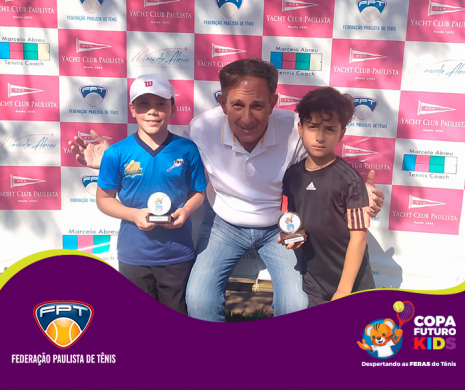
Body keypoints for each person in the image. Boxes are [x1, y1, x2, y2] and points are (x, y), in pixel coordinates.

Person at [70, 58, 384, 321]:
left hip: (278, 227)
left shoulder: (296, 128)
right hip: (223, 224)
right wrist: (110, 158)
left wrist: (357, 191)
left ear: (273, 103)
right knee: (199, 302)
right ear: (221, 103)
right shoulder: (201, 128)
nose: (247, 118)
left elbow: (322, 165)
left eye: (257, 105)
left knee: (296, 306)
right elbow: (164, 154)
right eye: (237, 105)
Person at [95, 74, 206, 315]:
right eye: (144, 104)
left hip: (177, 254)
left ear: (173, 109)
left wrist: (186, 210)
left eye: (160, 104)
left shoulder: (186, 149)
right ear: (132, 109)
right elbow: (103, 200)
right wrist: (133, 215)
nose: (152, 111)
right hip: (134, 255)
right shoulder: (116, 152)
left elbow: (199, 192)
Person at [280, 87, 375, 306]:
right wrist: (292, 237)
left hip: (353, 286)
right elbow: (291, 221)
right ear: (301, 129)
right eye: (312, 127)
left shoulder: (350, 180)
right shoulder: (292, 175)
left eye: (330, 129)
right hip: (314, 284)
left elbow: (359, 238)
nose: (320, 137)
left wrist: (344, 290)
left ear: (341, 134)